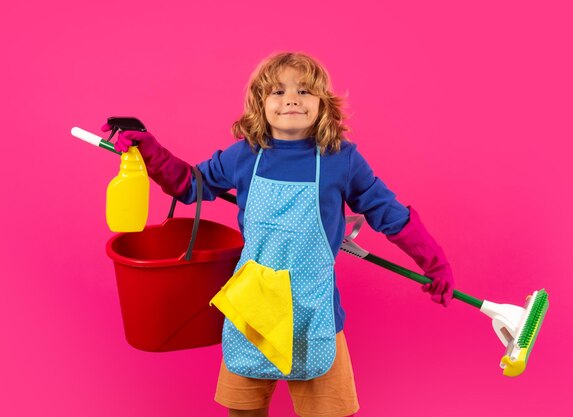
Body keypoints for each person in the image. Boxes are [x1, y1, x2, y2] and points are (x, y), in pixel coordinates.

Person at [106, 52, 454, 417]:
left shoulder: (342, 159)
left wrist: (435, 263)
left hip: (315, 309)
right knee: (244, 411)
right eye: (277, 91)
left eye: (304, 91)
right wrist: (149, 149)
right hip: (253, 310)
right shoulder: (244, 155)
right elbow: (189, 185)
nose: (291, 98)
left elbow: (391, 216)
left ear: (323, 104)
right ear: (260, 104)